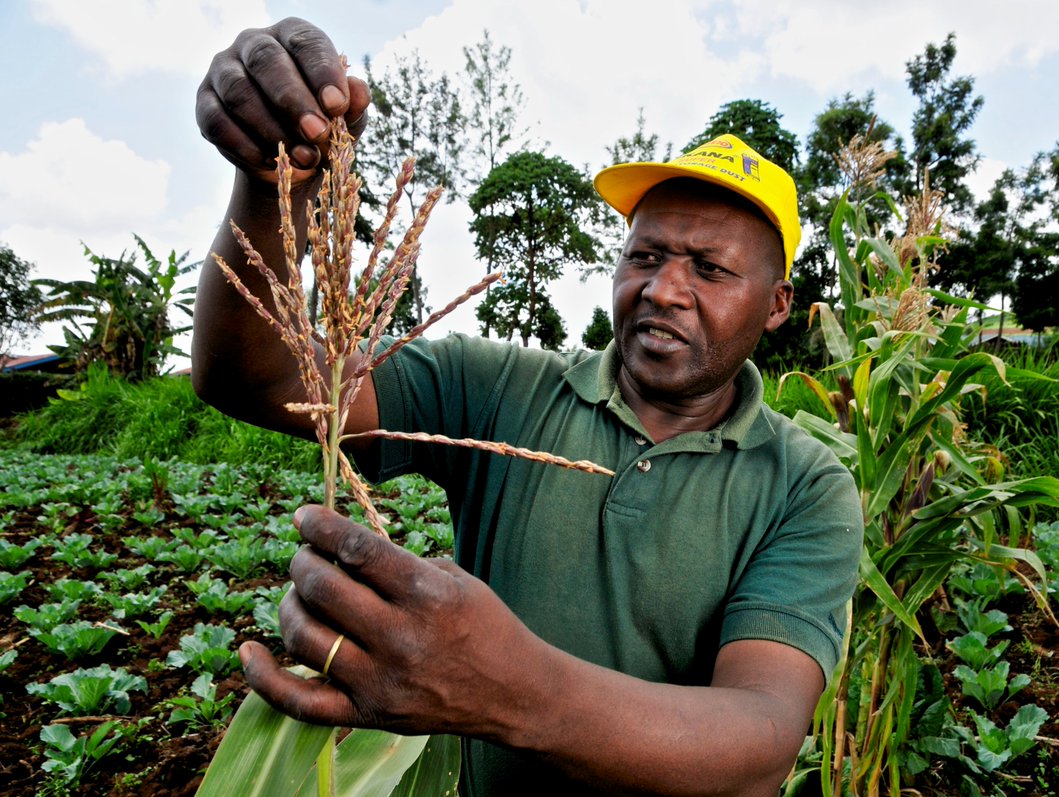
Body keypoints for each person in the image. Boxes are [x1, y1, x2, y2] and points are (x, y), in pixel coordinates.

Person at [192, 17, 863, 797]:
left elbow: (759, 742)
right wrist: (274, 189)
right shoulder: (502, 386)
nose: (663, 288)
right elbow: (260, 378)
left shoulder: (806, 484)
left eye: (710, 268)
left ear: (777, 304)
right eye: (643, 255)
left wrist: (506, 688)